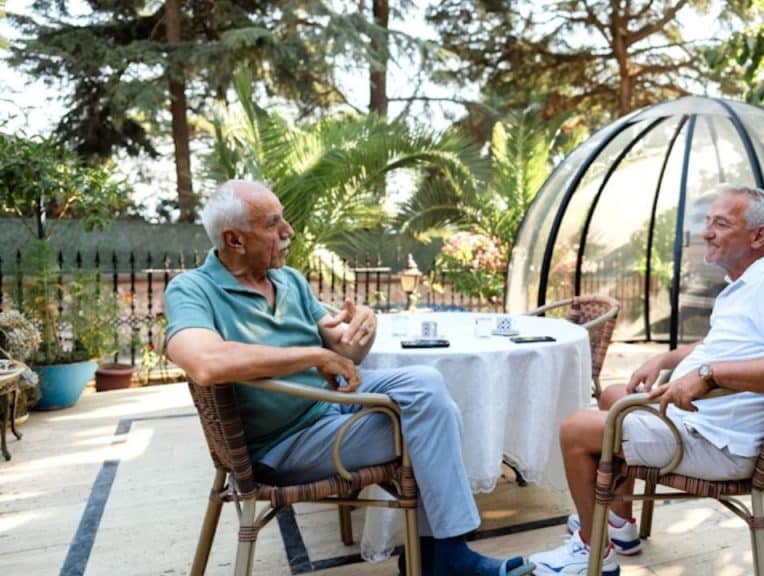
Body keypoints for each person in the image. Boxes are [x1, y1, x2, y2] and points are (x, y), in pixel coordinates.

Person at [164, 180, 534, 576]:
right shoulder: (192, 290)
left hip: (331, 409)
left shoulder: (288, 281)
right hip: (284, 444)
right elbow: (204, 361)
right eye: (273, 224)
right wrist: (312, 355)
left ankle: (440, 555)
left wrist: (362, 327)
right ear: (233, 239)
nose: (288, 231)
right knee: (435, 423)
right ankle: (445, 557)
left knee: (427, 387)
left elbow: (345, 351)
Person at [529, 184, 764, 576]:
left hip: (717, 444)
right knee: (617, 394)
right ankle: (619, 526)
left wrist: (709, 375)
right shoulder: (749, 283)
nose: (706, 233)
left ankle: (591, 549)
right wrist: (667, 358)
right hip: (698, 423)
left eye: (721, 223)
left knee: (574, 429)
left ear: (758, 236)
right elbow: (721, 345)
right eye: (708, 222)